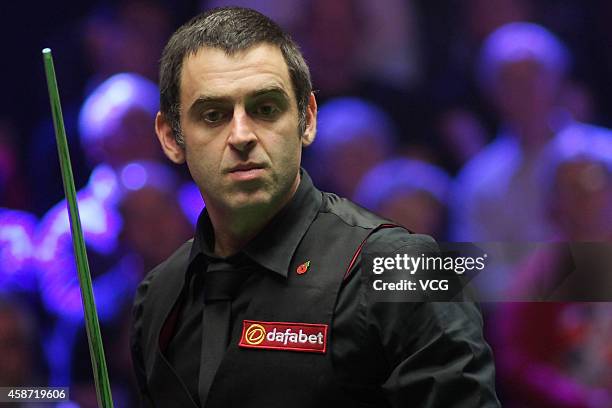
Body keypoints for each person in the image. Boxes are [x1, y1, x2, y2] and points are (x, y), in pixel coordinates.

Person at [130, 7, 499, 407]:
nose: (241, 136)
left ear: (307, 119)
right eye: (214, 115)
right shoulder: (158, 294)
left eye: (266, 109)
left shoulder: (407, 265)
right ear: (170, 137)